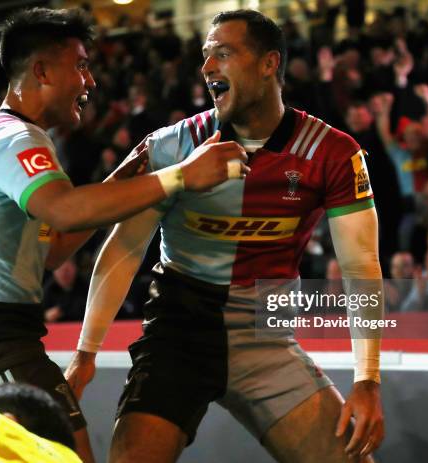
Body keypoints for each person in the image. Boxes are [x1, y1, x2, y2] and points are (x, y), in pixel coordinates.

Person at [0, 7, 248, 463]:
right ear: (40, 70)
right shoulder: (15, 138)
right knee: (69, 454)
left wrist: (121, 179)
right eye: (80, 65)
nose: (90, 81)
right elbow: (66, 211)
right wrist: (180, 178)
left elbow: (52, 250)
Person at [67, 10, 384, 463]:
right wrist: (86, 351)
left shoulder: (333, 153)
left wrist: (368, 380)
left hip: (265, 338)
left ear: (269, 63)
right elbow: (125, 245)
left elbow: (360, 268)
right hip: (177, 336)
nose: (207, 67)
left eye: (223, 52)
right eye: (205, 55)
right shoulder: (173, 145)